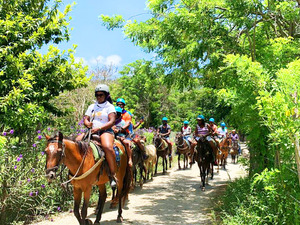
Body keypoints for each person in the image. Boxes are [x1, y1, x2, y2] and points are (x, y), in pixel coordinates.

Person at [76, 84, 117, 188]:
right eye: (97, 95)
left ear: (106, 95)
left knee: (107, 147)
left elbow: (112, 121)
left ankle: (113, 175)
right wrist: (86, 123)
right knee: (76, 142)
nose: (99, 97)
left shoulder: (109, 106)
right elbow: (86, 118)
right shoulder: (92, 106)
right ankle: (76, 172)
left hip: (105, 131)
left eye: (101, 95)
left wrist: (99, 128)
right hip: (91, 131)